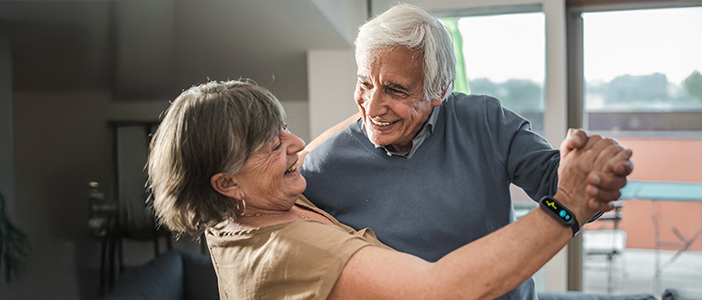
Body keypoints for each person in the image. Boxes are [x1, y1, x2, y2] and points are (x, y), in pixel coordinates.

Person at [146, 80, 631, 299]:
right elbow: (443, 290)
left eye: (284, 129)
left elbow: (323, 143)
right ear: (226, 182)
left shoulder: (236, 211)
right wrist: (563, 208)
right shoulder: (285, 252)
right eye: (273, 145)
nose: (295, 145)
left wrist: (394, 95)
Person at [300, 4, 634, 299]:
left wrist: (593, 171)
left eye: (395, 89)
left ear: (439, 90)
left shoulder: (486, 121)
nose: (372, 106)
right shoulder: (325, 166)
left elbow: (560, 186)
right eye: (365, 83)